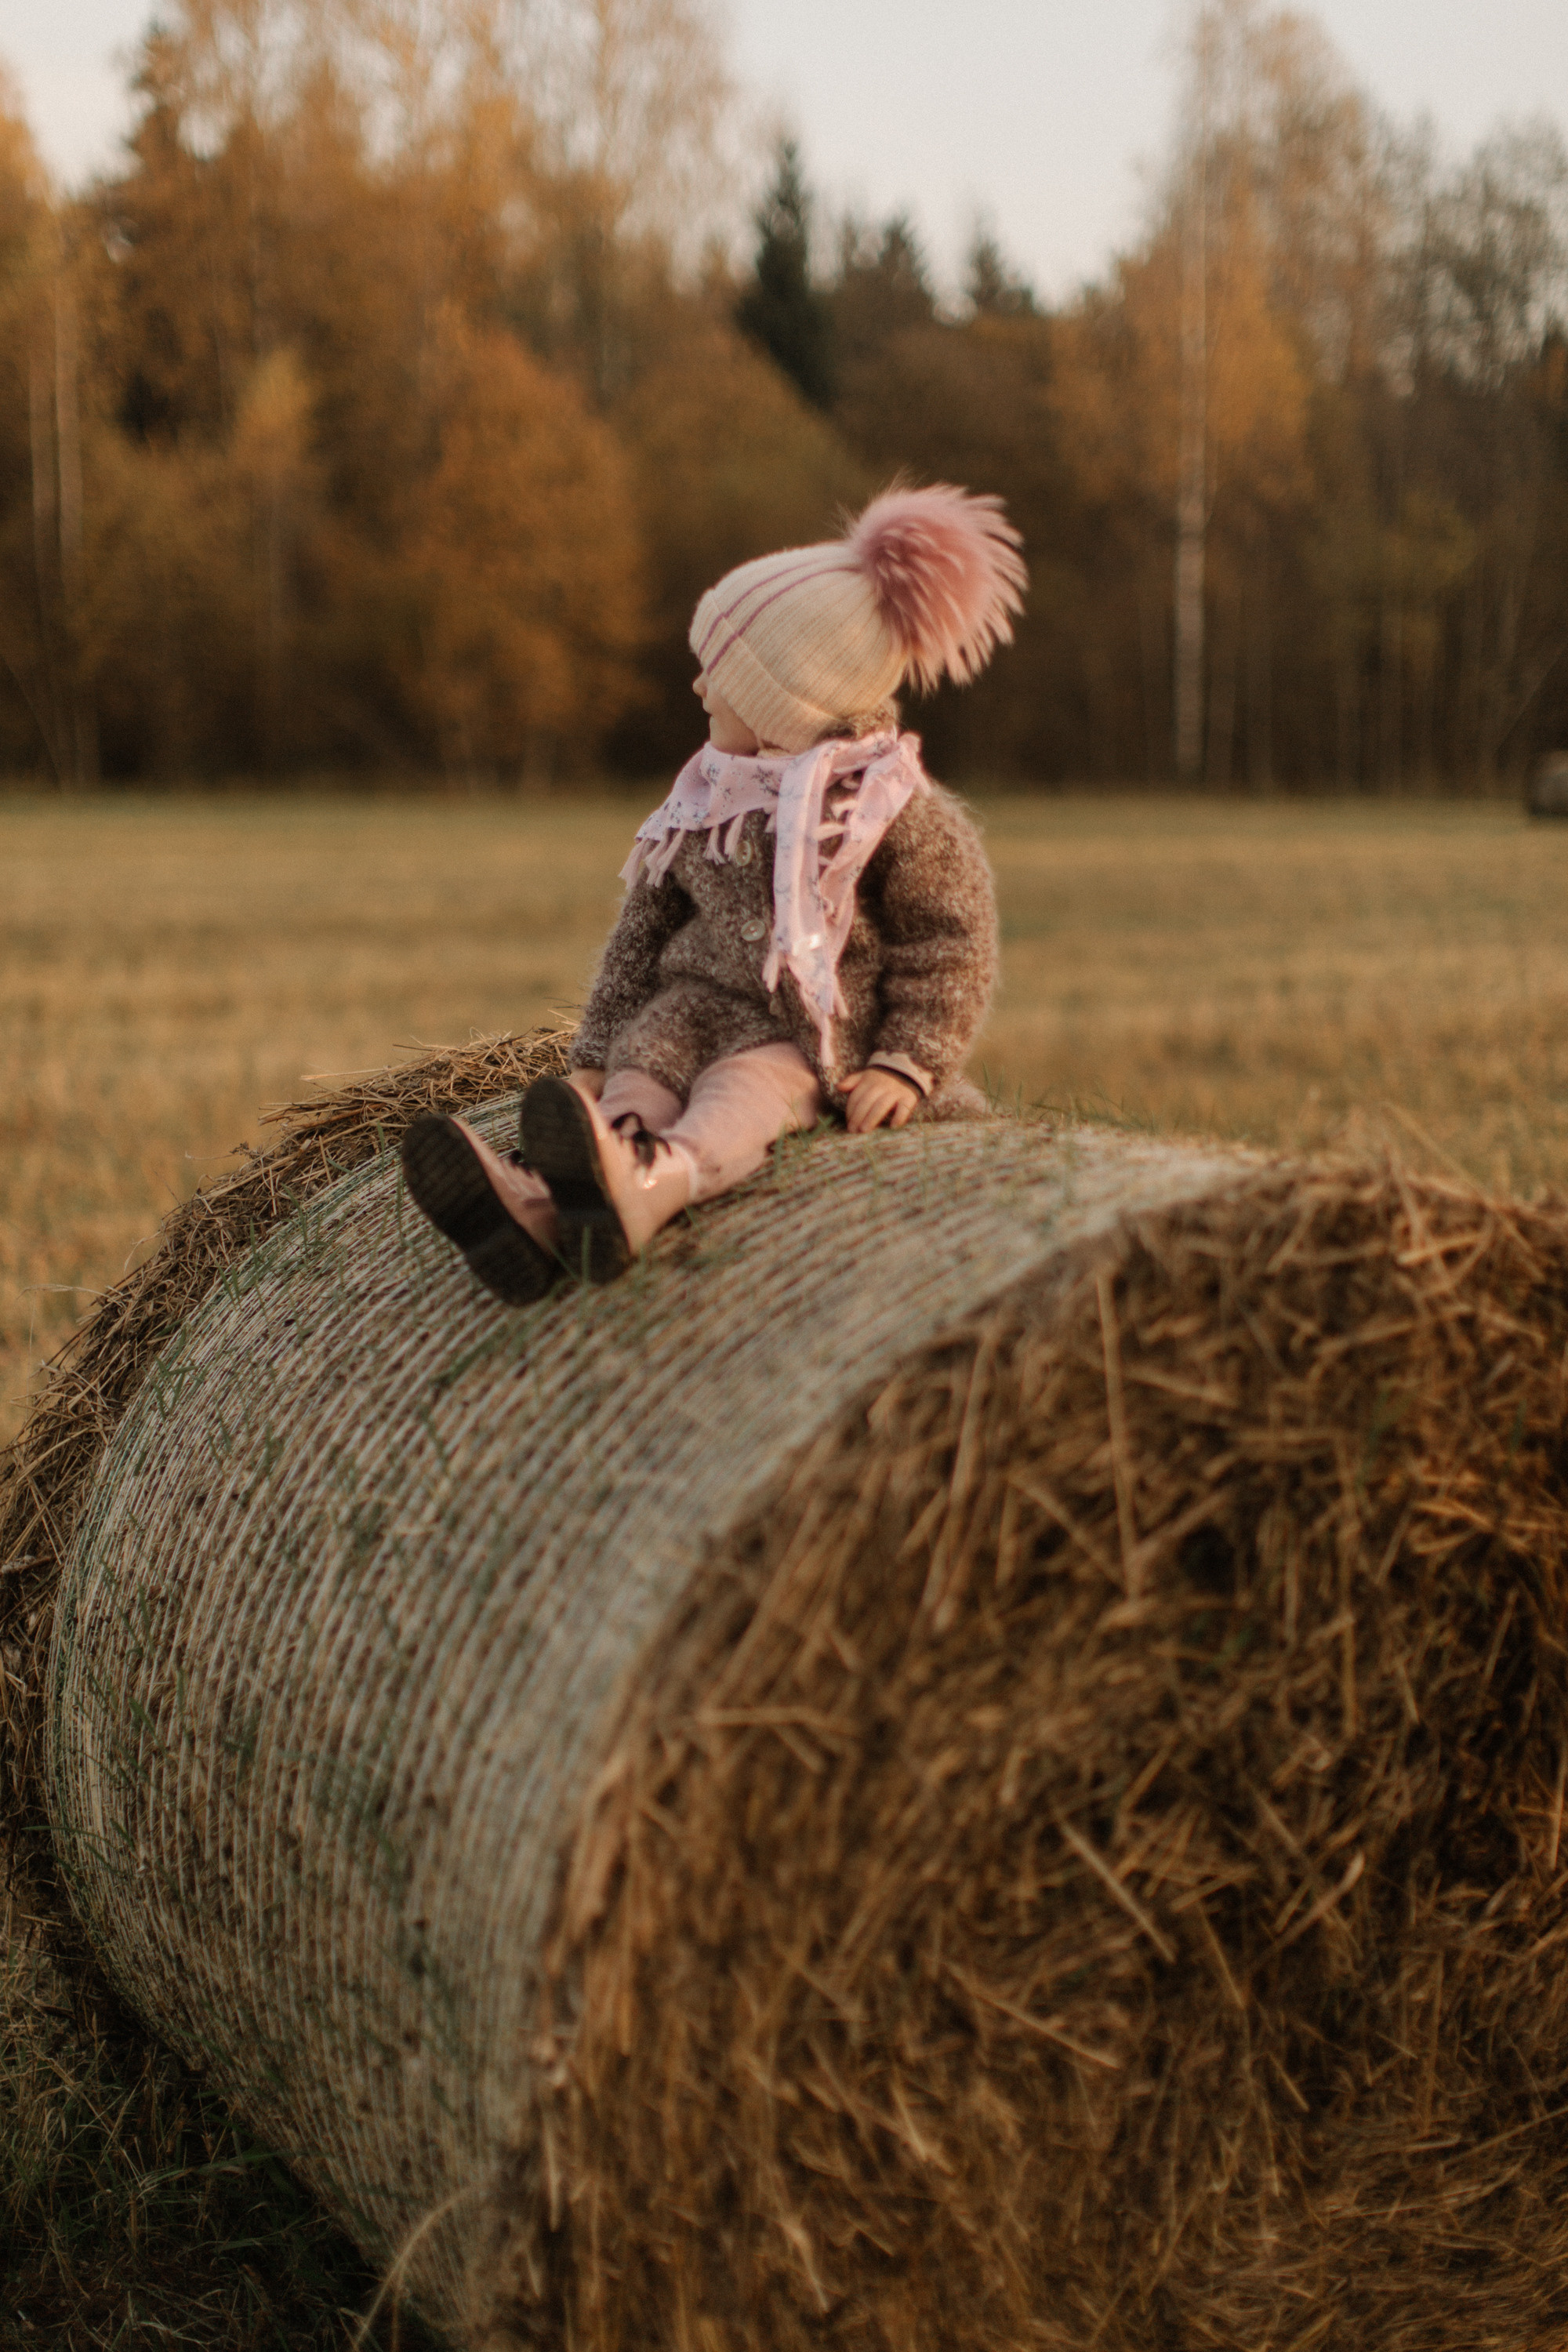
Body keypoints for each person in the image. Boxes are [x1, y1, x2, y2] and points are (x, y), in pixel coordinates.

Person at [401, 483, 1025, 1300]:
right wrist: (594, 1057)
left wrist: (909, 1065)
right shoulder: (707, 801)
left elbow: (951, 944)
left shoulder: (890, 810)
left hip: (807, 1035)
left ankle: (662, 1179)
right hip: (690, 1009)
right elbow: (640, 935)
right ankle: (556, 1195)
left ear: (786, 702)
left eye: (717, 675)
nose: (698, 690)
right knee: (639, 1076)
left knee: (743, 1091)